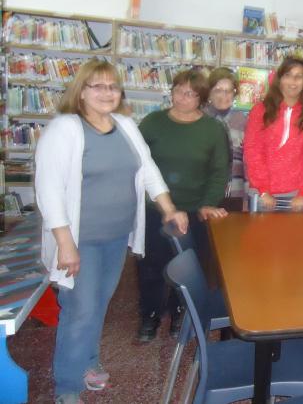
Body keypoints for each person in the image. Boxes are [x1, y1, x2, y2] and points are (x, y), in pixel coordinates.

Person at [34, 60, 188, 404]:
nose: (107, 93)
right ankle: (67, 386)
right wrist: (65, 244)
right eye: (98, 86)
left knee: (98, 304)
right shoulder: (64, 129)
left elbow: (148, 169)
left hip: (116, 236)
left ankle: (88, 362)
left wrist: (168, 208)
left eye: (113, 86)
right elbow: (49, 190)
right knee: (80, 309)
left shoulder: (125, 125)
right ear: (81, 91)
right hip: (80, 240)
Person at [137, 69, 230, 341]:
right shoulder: (152, 122)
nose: (182, 98)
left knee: (189, 267)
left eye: (190, 94)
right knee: (151, 265)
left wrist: (208, 204)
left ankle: (180, 311)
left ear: (202, 98)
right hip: (156, 209)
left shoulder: (213, 129)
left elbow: (219, 171)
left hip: (195, 212)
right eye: (178, 91)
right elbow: (138, 163)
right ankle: (150, 315)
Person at [243, 57, 303, 211]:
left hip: (296, 196)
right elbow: (253, 152)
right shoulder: (260, 111)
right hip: (262, 194)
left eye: (298, 76)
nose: (293, 81)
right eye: (288, 75)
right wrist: (263, 190)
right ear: (279, 79)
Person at [204, 67, 248, 210]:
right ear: (209, 92)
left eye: (229, 91)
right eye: (218, 90)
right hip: (204, 194)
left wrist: (247, 198)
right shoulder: (200, 119)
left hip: (235, 193)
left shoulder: (242, 120)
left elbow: (247, 161)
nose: (224, 95)